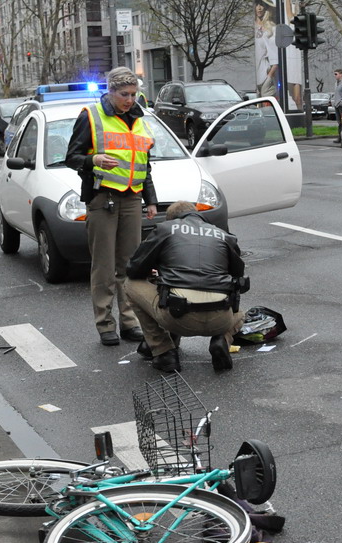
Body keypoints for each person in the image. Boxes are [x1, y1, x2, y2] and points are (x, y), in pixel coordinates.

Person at [66, 66, 157, 347]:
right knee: (103, 267)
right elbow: (72, 157)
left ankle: (129, 322)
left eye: (134, 94)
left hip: (131, 198)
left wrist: (150, 199)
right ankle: (105, 324)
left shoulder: (139, 118)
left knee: (129, 266)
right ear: (111, 91)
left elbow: (143, 164)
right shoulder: (91, 116)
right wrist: (94, 161)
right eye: (124, 94)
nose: (130, 100)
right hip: (102, 197)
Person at [124, 201, 248, 374]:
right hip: (220, 320)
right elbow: (238, 275)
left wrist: (159, 269)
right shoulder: (223, 235)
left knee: (131, 285)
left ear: (172, 219)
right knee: (241, 314)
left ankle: (163, 351)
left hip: (178, 317)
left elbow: (134, 270)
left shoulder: (165, 229)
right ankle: (222, 339)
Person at [255, 0, 279, 99]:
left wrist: (269, 77)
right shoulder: (253, 27)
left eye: (262, 5)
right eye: (257, 5)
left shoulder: (271, 29)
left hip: (264, 77)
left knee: (267, 108)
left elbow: (275, 55)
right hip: (255, 76)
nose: (259, 8)